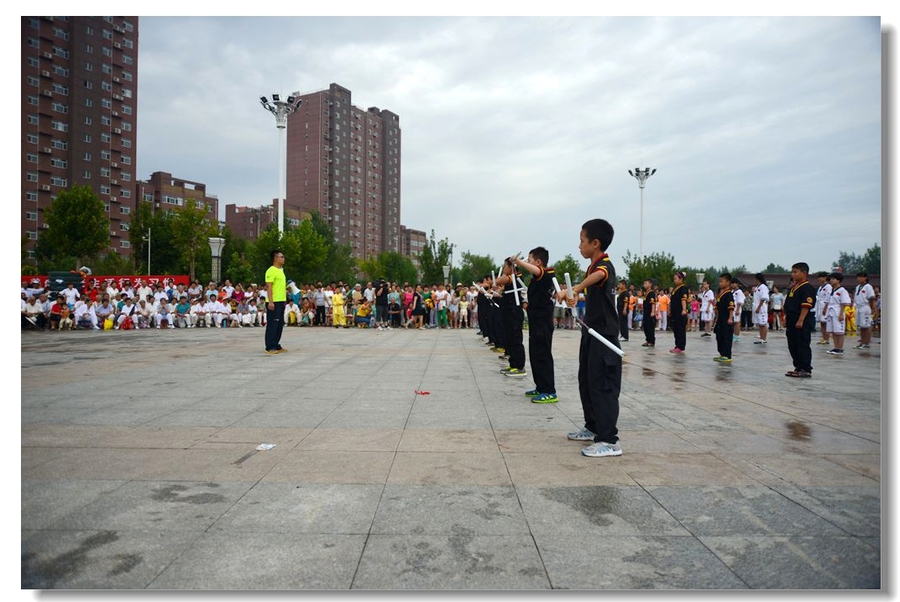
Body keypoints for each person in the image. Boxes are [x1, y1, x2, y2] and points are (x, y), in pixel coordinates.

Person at [558, 218, 622, 458]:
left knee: (603, 385)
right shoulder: (591, 267)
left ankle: (609, 440)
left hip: (604, 335)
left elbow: (598, 277)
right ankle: (592, 427)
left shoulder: (604, 265)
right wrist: (571, 294)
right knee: (586, 380)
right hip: (590, 332)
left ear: (595, 243)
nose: (579, 246)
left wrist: (575, 289)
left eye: (582, 241)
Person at [513, 247, 556, 402]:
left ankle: (549, 390)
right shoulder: (535, 279)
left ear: (538, 262)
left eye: (529, 260)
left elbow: (538, 271)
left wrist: (518, 261)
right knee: (535, 355)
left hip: (543, 323)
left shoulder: (546, 274)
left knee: (543, 355)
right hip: (535, 321)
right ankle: (540, 387)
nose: (526, 263)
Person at [784, 262, 817, 377]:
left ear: (804, 273)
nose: (793, 274)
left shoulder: (807, 288)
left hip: (801, 320)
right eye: (792, 272)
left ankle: (805, 368)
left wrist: (801, 320)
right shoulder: (794, 287)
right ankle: (798, 367)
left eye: (795, 272)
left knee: (801, 344)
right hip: (791, 320)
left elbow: (805, 306)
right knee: (792, 344)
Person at [264, 249, 287, 354]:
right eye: (281, 257)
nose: (283, 258)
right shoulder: (271, 270)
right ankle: (269, 346)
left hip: (281, 301)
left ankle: (276, 344)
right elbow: (269, 287)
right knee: (273, 324)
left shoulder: (281, 270)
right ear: (275, 258)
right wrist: (271, 302)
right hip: (274, 301)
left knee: (279, 324)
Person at [825, 272, 851, 355]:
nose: (831, 281)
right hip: (831, 312)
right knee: (833, 331)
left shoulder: (842, 290)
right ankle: (836, 347)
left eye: (833, 279)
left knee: (839, 331)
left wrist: (841, 314)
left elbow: (844, 303)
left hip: (838, 311)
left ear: (838, 280)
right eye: (831, 279)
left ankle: (840, 348)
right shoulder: (831, 290)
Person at [713, 273, 735, 363]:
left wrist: (730, 318)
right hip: (720, 319)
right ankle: (722, 353)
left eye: (722, 281)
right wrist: (716, 318)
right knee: (719, 336)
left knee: (726, 336)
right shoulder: (720, 293)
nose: (720, 283)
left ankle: (727, 355)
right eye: (719, 281)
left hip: (726, 319)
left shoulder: (728, 294)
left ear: (728, 282)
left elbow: (731, 307)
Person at [853, 272, 877, 350]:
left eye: (860, 277)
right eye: (858, 277)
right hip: (859, 307)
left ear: (865, 278)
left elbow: (871, 297)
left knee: (867, 326)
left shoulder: (868, 287)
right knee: (861, 326)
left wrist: (872, 307)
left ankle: (867, 343)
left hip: (865, 307)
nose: (858, 279)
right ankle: (862, 342)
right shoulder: (858, 287)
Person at [670, 272, 689, 353]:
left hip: (680, 312)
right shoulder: (675, 288)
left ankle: (681, 346)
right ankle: (677, 345)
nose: (674, 280)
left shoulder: (683, 288)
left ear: (681, 279)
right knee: (676, 329)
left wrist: (684, 309)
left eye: (676, 279)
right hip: (675, 313)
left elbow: (683, 300)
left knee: (680, 329)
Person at [815, 271, 832, 345]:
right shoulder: (820, 287)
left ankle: (827, 339)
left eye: (820, 277)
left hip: (825, 305)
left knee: (825, 323)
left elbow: (828, 298)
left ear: (825, 278)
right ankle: (823, 338)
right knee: (822, 323)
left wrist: (825, 308)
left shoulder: (828, 286)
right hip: (819, 306)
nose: (819, 279)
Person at [752, 273, 770, 344]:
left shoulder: (763, 287)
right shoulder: (757, 287)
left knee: (763, 323)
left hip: (761, 307)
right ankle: (761, 337)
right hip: (756, 305)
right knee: (759, 323)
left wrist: (759, 307)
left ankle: (764, 338)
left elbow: (763, 298)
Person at [641, 279, 657, 347]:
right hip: (646, 312)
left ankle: (651, 341)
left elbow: (653, 303)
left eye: (646, 283)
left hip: (650, 312)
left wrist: (653, 312)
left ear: (650, 284)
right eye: (644, 283)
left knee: (650, 327)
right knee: (646, 326)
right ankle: (648, 340)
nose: (644, 285)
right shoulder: (646, 293)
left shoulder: (651, 293)